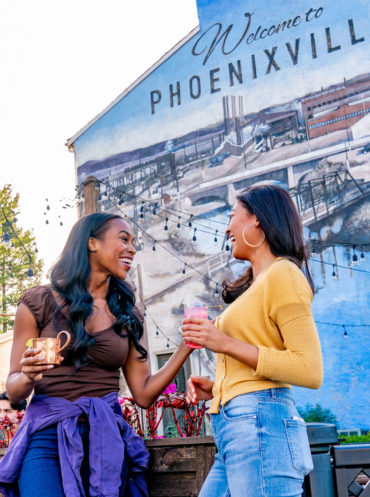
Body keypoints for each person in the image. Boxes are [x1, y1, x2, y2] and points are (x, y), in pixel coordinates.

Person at [0, 212, 192, 497]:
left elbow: (142, 394)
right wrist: (27, 375)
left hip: (105, 440)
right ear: (92, 243)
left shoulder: (128, 313)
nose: (132, 248)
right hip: (47, 437)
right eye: (124, 239)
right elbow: (14, 392)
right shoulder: (37, 302)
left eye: (134, 242)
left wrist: (184, 347)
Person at [182, 185, 323, 497]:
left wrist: (224, 343)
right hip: (240, 428)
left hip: (260, 425)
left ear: (256, 220)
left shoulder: (283, 274)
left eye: (232, 216)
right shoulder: (258, 284)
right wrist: (219, 386)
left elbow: (309, 369)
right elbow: (260, 354)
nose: (227, 227)